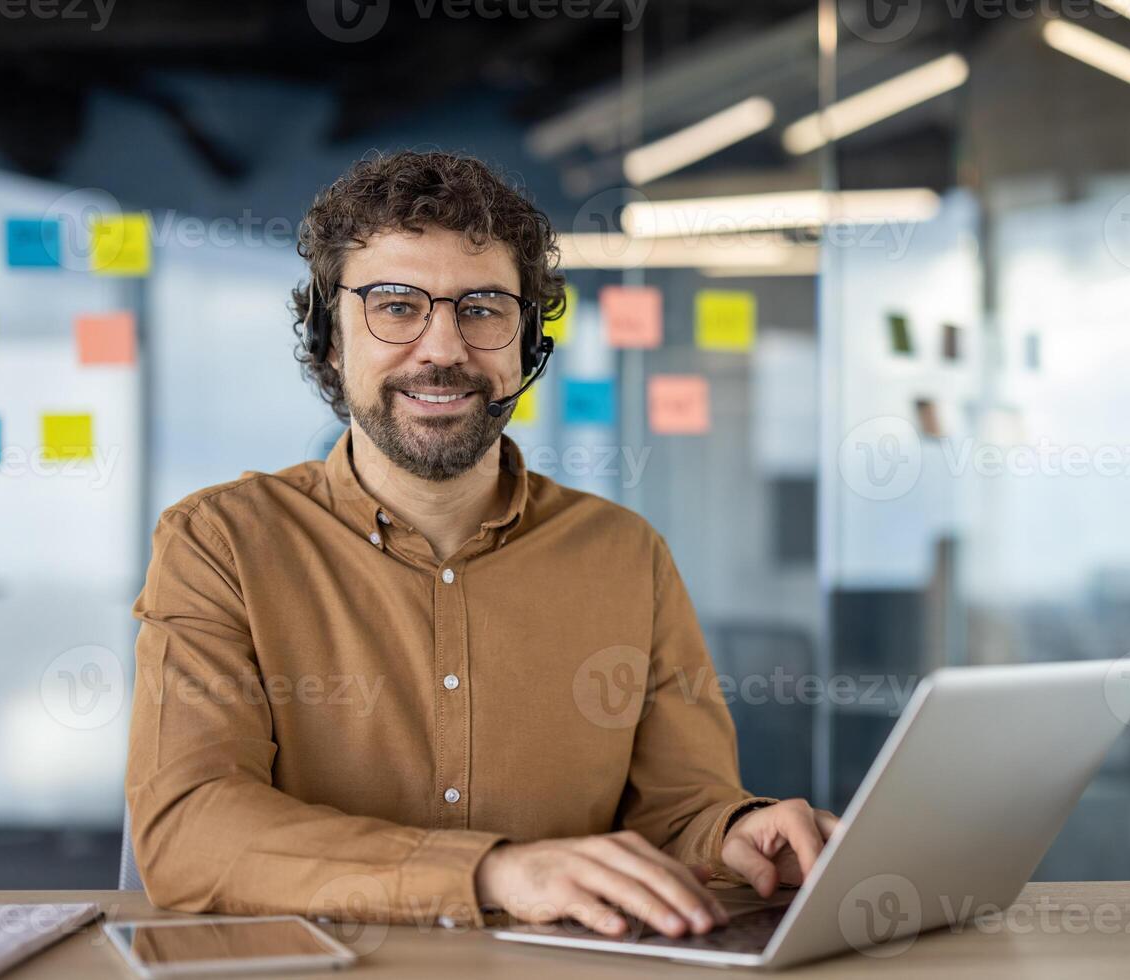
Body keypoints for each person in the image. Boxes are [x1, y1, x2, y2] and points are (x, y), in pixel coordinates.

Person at [125, 149, 838, 940]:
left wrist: (735, 830)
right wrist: (488, 870)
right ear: (331, 337)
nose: (442, 349)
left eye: (483, 308)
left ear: (527, 342)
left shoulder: (626, 556)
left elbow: (682, 808)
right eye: (396, 306)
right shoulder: (219, 544)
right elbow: (189, 828)